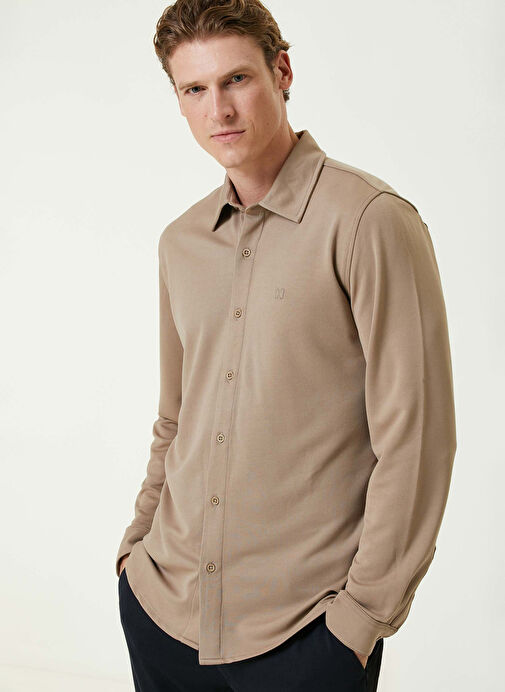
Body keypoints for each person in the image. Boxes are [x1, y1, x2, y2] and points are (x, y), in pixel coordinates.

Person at [115, 1, 457, 690]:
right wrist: (135, 551)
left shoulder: (368, 221)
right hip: (165, 610)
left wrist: (360, 620)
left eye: (236, 79)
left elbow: (416, 439)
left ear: (282, 72)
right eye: (194, 89)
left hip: (306, 633)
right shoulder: (181, 243)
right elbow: (175, 417)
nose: (219, 109)